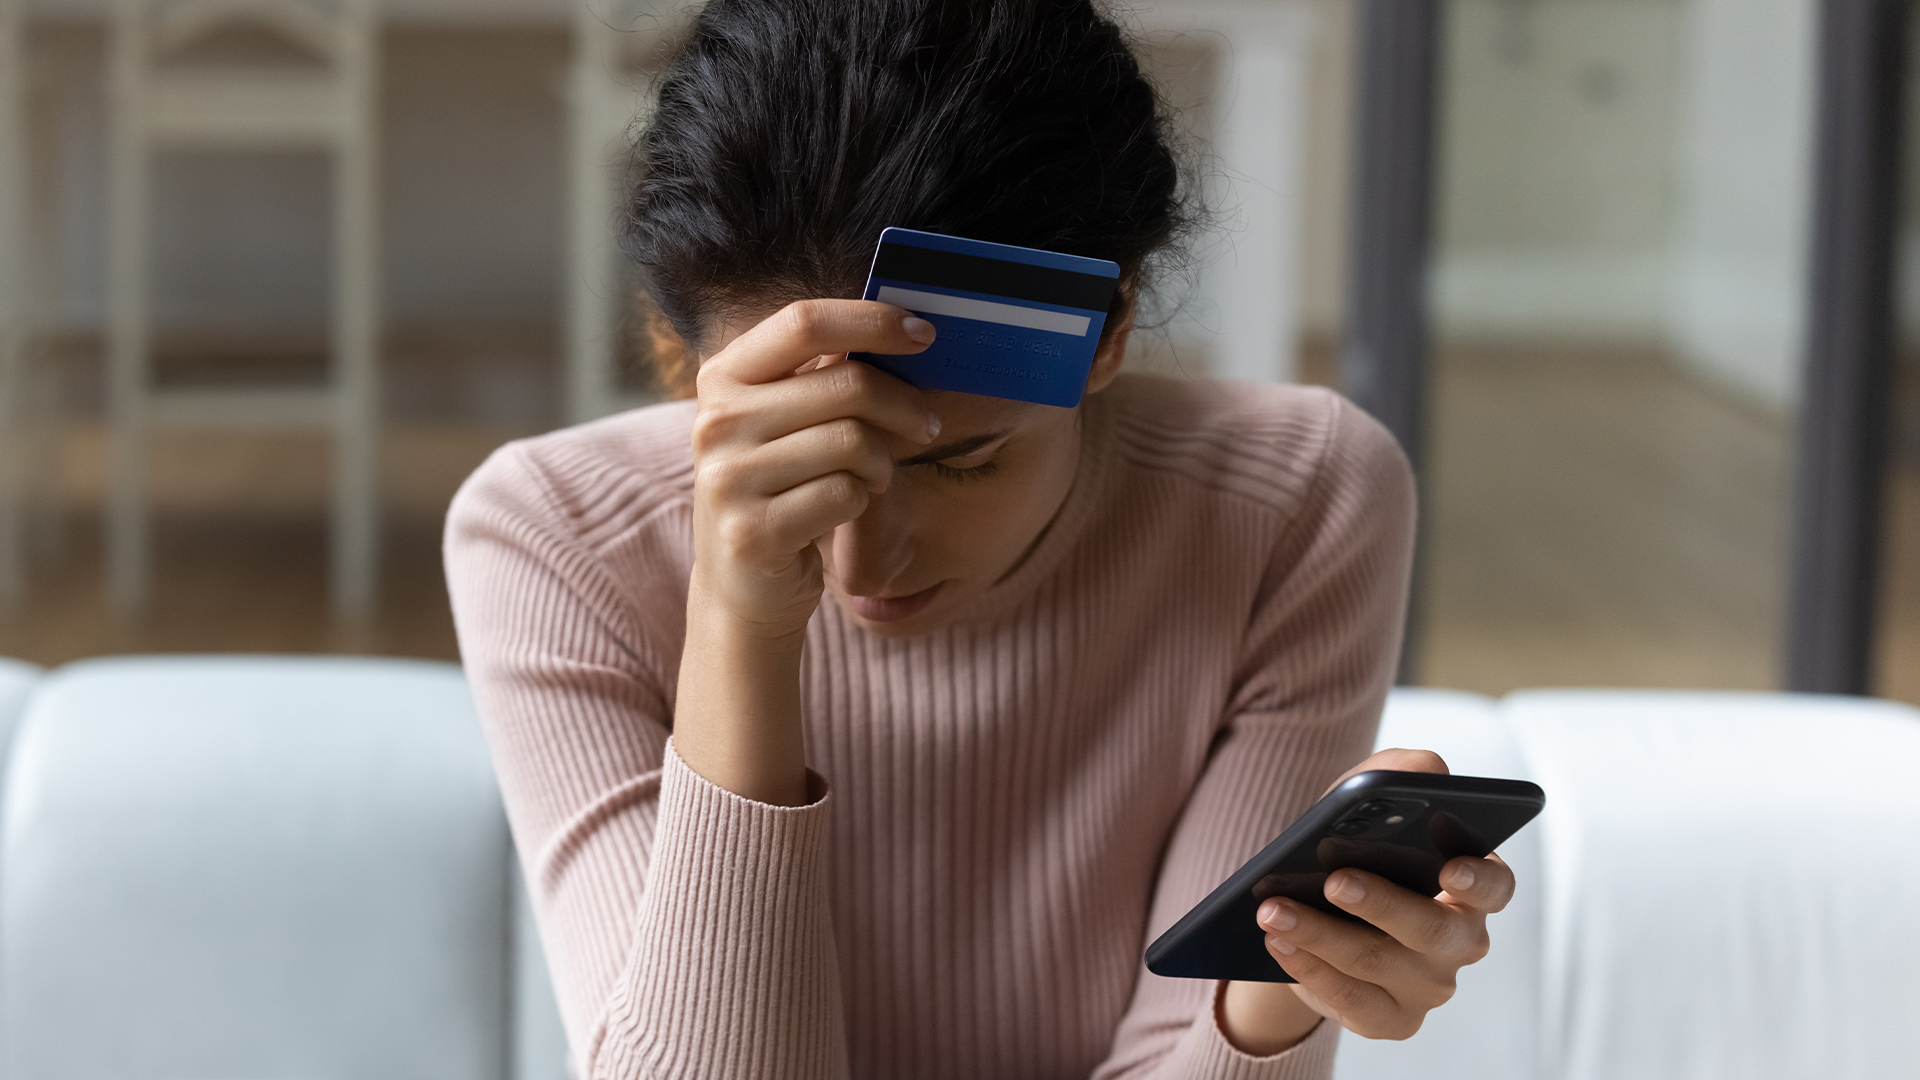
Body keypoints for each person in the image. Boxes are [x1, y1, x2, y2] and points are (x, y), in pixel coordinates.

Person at [444, 1, 1516, 1077]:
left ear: (1113, 331)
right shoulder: (556, 540)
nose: (860, 564)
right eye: (807, 468)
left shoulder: (1295, 503)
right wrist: (739, 624)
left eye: (958, 460)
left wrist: (1271, 1004)